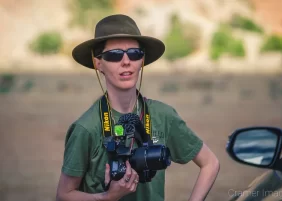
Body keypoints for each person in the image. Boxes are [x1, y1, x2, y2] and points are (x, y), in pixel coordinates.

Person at [56, 14, 220, 201]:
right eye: (114, 55)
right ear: (98, 63)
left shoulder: (163, 116)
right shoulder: (86, 128)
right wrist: (107, 197)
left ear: (142, 60)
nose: (126, 61)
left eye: (134, 53)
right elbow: (63, 195)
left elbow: (210, 163)